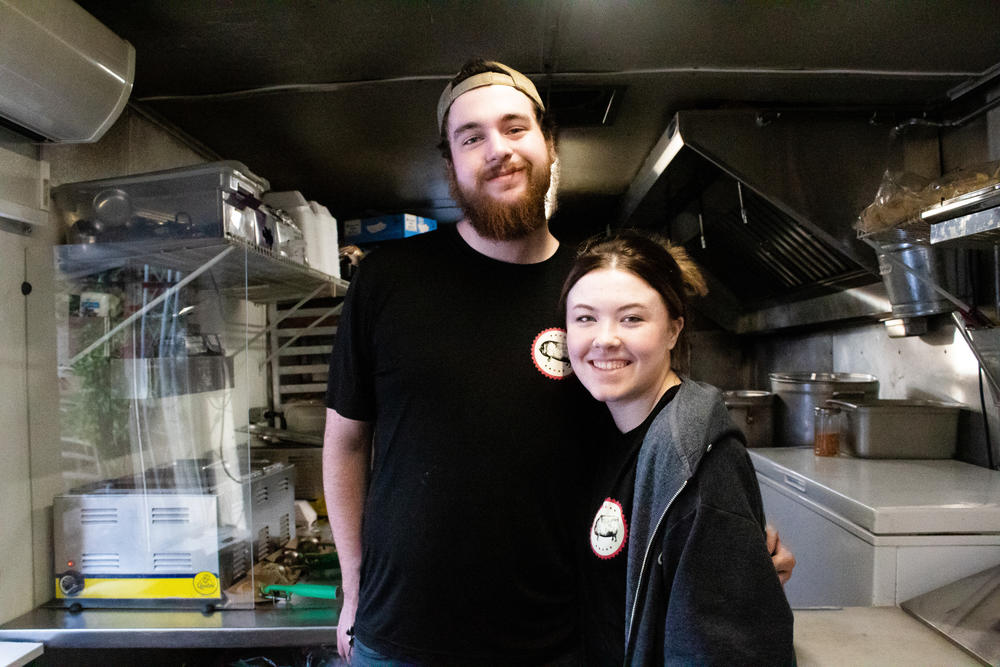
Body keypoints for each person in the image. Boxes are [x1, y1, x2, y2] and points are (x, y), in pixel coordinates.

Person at [324, 59, 794, 665]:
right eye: (473, 137)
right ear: (451, 164)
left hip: (555, 638)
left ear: (548, 144)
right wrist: (353, 585)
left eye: (515, 128)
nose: (499, 150)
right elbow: (345, 443)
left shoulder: (591, 290)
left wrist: (724, 536)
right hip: (398, 634)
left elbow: (658, 436)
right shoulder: (388, 279)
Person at [560, 230, 796, 665]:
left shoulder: (697, 460)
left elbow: (726, 652)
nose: (605, 338)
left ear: (673, 329)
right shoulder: (603, 429)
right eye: (585, 318)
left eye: (632, 319)